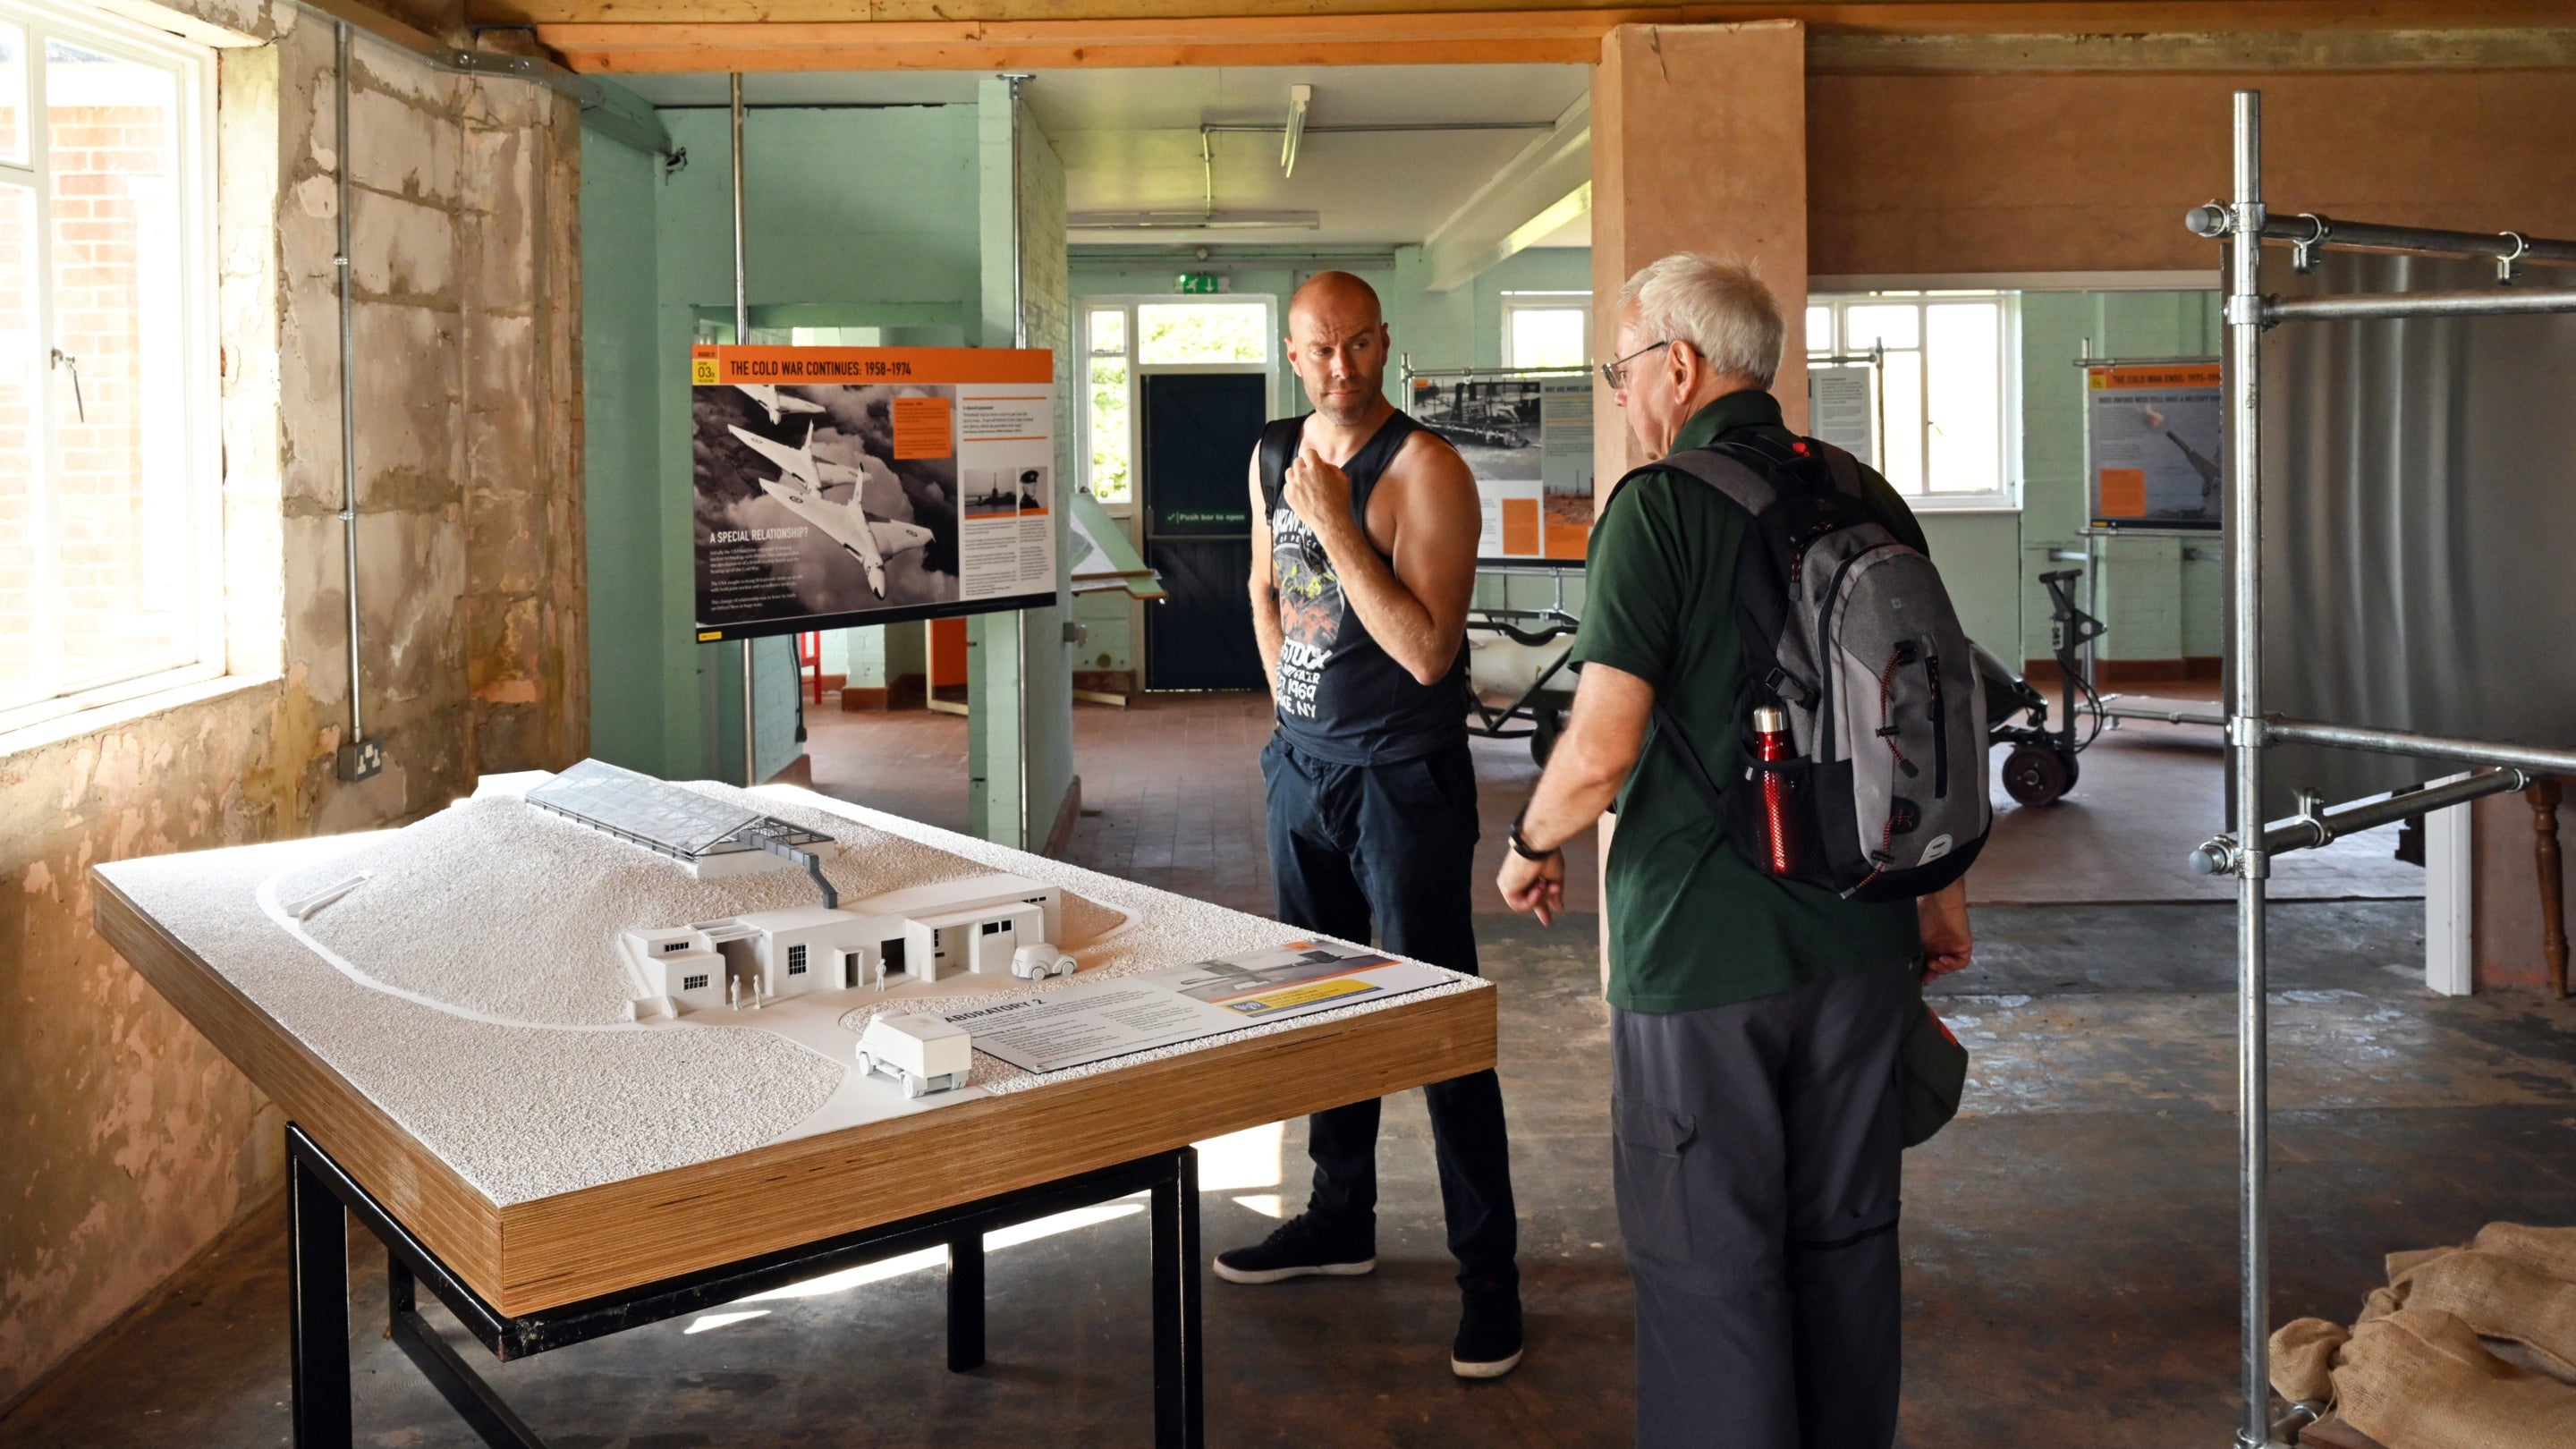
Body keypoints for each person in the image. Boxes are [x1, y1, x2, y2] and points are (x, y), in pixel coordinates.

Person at [1496, 253, 1976, 1446]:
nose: (1622, 395)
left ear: (1680, 365)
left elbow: (1602, 748)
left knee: (1711, 1266)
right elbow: (1925, 718)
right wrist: (1938, 892)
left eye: (1622, 370)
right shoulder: (1868, 493)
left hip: (1705, 956)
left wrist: (1527, 841)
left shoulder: (1658, 507)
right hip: (1863, 930)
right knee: (1846, 1245)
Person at [1222, 270, 1524, 1379]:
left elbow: (1429, 652)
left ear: (1384, 346)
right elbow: (1262, 588)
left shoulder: (1427, 471)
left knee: (1440, 1029)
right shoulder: (1269, 456)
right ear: (1291, 354)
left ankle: (1490, 1274)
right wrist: (1289, 711)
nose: (1340, 367)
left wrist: (1338, 523)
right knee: (1326, 1011)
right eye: (1318, 349)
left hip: (1404, 782)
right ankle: (1339, 1219)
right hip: (1305, 772)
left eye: (1358, 346)